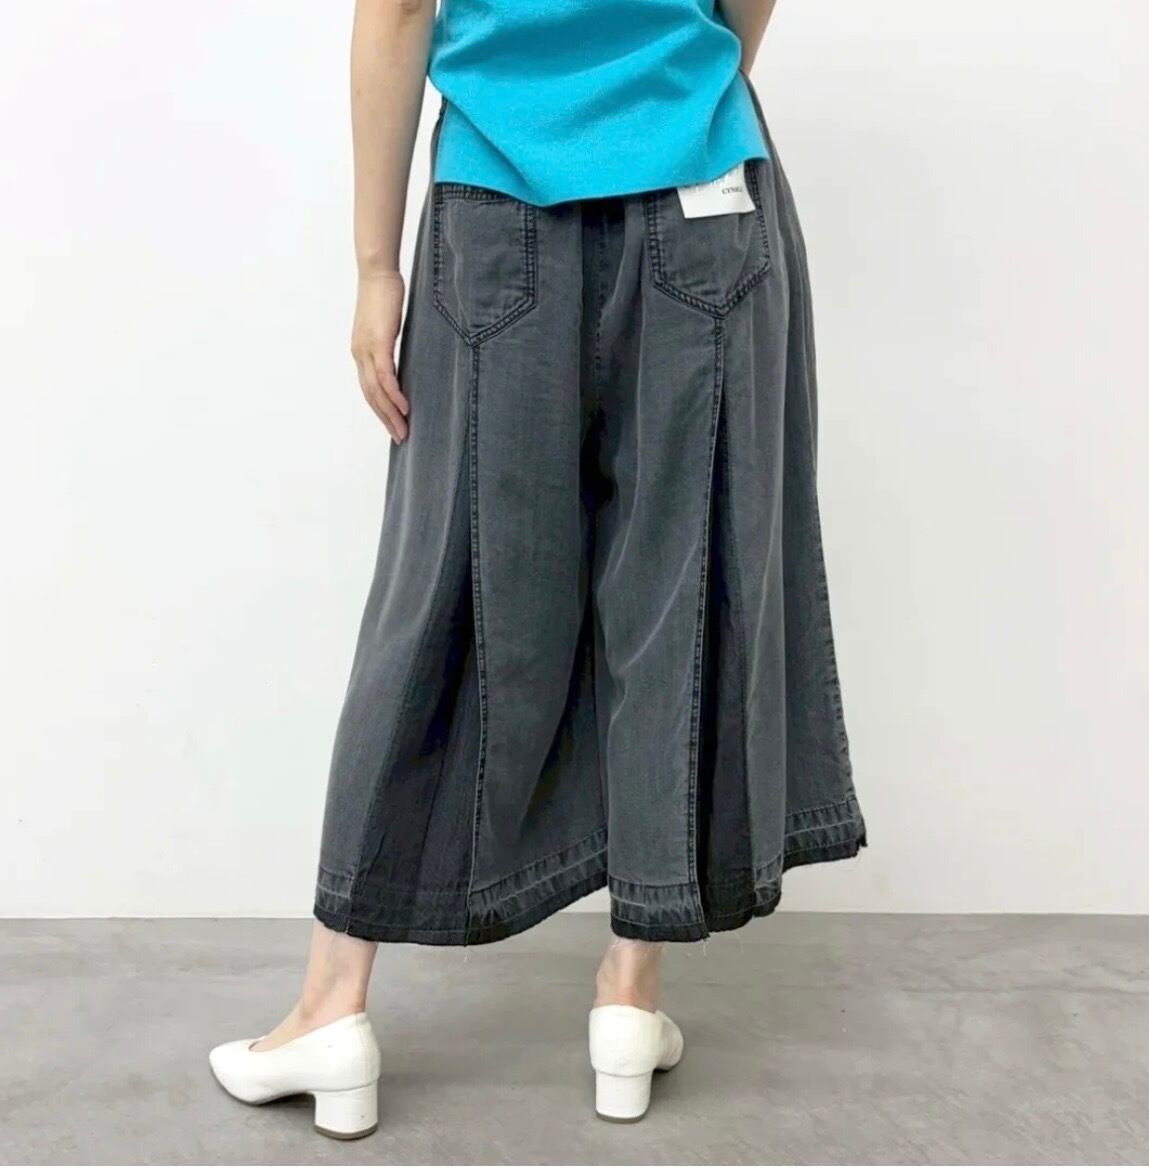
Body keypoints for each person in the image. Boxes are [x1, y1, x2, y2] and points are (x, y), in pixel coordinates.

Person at [209, 0, 866, 1139]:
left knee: (440, 590)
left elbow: (398, 8)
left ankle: (333, 1005)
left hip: (497, 202)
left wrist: (375, 266)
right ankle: (629, 996)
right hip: (704, 193)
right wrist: (679, 87)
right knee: (676, 590)